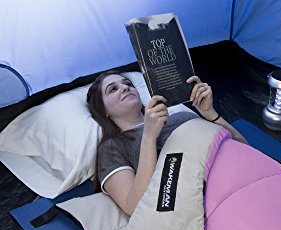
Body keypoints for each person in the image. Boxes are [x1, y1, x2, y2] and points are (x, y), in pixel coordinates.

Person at [87, 72, 247, 215]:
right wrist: (149, 136)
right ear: (103, 111)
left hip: (241, 170)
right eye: (113, 89)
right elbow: (132, 206)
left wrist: (210, 113)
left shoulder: (181, 115)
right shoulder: (112, 147)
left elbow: (244, 148)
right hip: (212, 195)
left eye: (128, 83)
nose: (125, 88)